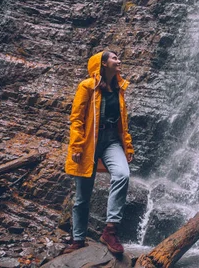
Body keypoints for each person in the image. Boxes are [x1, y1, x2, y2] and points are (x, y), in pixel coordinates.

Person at [63, 51, 134, 255]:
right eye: (115, 58)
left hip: (112, 140)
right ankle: (78, 239)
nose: (119, 61)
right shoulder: (87, 86)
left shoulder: (119, 88)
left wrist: (127, 146)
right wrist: (76, 146)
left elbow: (124, 122)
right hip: (89, 143)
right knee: (83, 195)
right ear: (103, 64)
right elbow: (76, 118)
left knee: (122, 174)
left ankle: (110, 230)